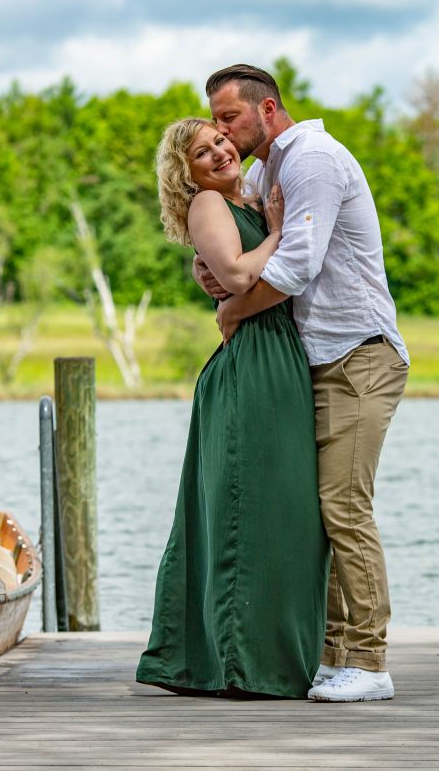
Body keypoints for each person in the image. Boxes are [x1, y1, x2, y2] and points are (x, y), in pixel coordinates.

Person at [197, 65, 409, 702]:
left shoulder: (312, 159)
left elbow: (295, 264)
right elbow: (241, 251)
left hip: (359, 354)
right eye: (214, 121)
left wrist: (232, 309)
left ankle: (369, 664)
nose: (222, 133)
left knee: (345, 507)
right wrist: (215, 272)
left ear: (267, 111)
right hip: (312, 362)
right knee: (318, 515)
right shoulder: (264, 172)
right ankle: (333, 654)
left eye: (230, 119)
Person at [135, 118, 328, 699]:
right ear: (185, 173)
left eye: (220, 141)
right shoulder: (209, 208)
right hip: (250, 365)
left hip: (282, 359)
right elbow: (241, 275)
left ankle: (283, 660)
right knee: (248, 511)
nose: (220, 151)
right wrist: (278, 231)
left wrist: (272, 226)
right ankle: (239, 666)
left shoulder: (249, 191)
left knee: (288, 515)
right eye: (202, 151)